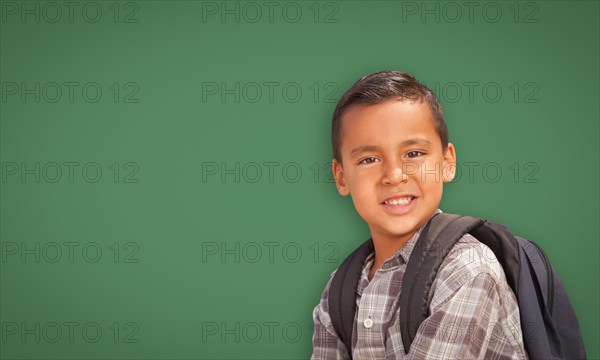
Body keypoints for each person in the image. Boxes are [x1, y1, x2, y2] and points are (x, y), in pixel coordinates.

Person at [311, 70, 528, 359]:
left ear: (447, 162)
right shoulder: (339, 290)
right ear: (341, 178)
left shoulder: (466, 270)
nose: (394, 175)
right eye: (369, 159)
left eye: (413, 154)